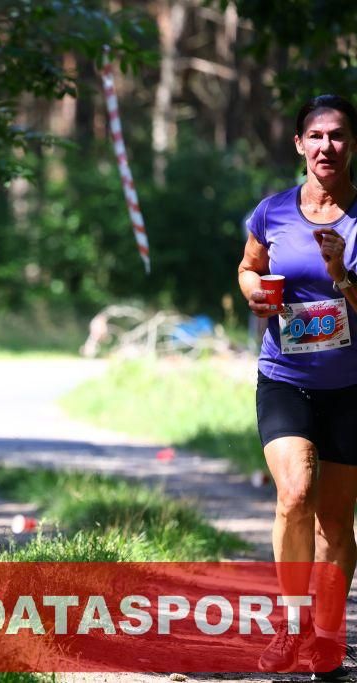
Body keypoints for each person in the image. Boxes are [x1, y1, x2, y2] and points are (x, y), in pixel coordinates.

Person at [238, 93, 357, 680]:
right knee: (293, 494)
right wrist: (253, 292)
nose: (325, 146)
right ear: (299, 144)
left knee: (335, 521)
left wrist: (341, 275)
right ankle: (290, 624)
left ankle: (328, 639)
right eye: (315, 135)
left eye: (337, 135)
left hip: (351, 386)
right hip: (285, 376)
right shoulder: (273, 212)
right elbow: (249, 266)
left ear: (352, 145)